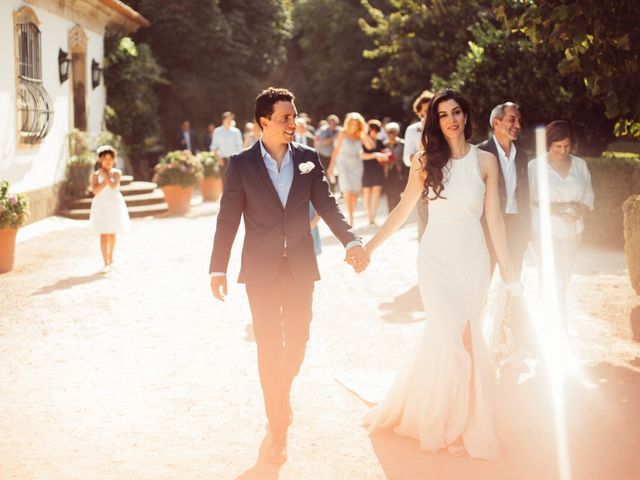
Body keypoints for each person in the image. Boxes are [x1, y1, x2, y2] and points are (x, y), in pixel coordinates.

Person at [209, 87, 369, 465]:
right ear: (264, 121)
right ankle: (277, 424)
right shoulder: (241, 165)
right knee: (268, 345)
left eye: (294, 117)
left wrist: (350, 240)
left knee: (297, 341)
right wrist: (218, 266)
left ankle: (279, 398)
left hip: (299, 266)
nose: (292, 124)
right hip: (261, 270)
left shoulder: (309, 158)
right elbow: (227, 218)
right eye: (285, 118)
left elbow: (328, 206)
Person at [362, 89, 515, 460]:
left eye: (457, 111)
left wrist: (509, 269)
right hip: (435, 258)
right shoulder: (424, 161)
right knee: (447, 331)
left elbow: (494, 217)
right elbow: (402, 209)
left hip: (473, 258)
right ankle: (445, 420)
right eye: (443, 114)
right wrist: (369, 247)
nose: (451, 119)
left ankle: (464, 424)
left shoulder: (486, 162)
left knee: (466, 338)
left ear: (466, 115)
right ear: (435, 121)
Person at [528, 120, 594, 330]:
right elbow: (530, 200)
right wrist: (556, 210)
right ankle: (554, 328)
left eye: (567, 146)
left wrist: (577, 210)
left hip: (573, 230)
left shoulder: (580, 165)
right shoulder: (535, 166)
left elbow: (589, 196)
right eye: (558, 146)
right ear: (549, 144)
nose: (563, 151)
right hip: (544, 231)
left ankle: (551, 323)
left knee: (563, 279)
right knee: (550, 279)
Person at [478, 102, 530, 276]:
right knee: (483, 280)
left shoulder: (523, 156)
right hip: (487, 227)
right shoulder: (479, 153)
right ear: (496, 122)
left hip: (516, 225)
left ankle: (512, 303)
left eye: (519, 121)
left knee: (514, 278)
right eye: (512, 120)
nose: (518, 125)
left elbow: (525, 194)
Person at [327, 112, 375, 226]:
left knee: (355, 194)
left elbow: (370, 146)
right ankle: (351, 218)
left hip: (357, 166)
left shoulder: (360, 135)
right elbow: (336, 151)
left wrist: (364, 133)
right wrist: (331, 167)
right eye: (352, 123)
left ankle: (351, 213)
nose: (354, 126)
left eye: (356, 124)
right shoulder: (342, 133)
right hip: (343, 164)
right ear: (348, 123)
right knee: (347, 192)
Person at [89, 145, 131, 273]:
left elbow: (113, 186)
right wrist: (101, 175)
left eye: (110, 158)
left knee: (112, 232)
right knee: (103, 233)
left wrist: (106, 176)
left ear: (114, 160)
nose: (107, 161)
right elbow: (95, 190)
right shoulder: (96, 175)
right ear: (100, 160)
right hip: (101, 204)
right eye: (104, 159)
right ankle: (105, 261)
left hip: (114, 204)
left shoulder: (117, 173)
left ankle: (111, 257)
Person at [403, 90, 434, 240]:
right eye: (426, 111)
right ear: (420, 112)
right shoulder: (412, 130)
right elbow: (407, 158)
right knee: (424, 223)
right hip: (423, 180)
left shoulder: (444, 126)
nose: (429, 113)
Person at [361, 119, 387, 225]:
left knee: (376, 194)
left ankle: (373, 216)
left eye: (377, 131)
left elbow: (386, 156)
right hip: (366, 170)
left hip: (378, 171)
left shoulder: (380, 143)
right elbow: (362, 156)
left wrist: (384, 157)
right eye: (373, 130)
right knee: (367, 195)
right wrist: (376, 155)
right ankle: (369, 215)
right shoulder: (363, 142)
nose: (375, 133)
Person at [382, 122, 407, 212]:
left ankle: (398, 212)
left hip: (399, 171)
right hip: (387, 171)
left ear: (396, 132)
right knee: (389, 193)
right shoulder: (384, 144)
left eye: (393, 131)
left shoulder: (402, 144)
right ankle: (390, 212)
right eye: (389, 132)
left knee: (398, 192)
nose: (391, 134)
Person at [210, 111, 243, 180]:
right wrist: (218, 158)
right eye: (229, 119)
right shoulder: (217, 131)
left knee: (235, 182)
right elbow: (213, 147)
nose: (230, 120)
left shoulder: (236, 132)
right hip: (223, 161)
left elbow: (240, 147)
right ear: (223, 120)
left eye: (231, 119)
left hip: (234, 161)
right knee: (225, 183)